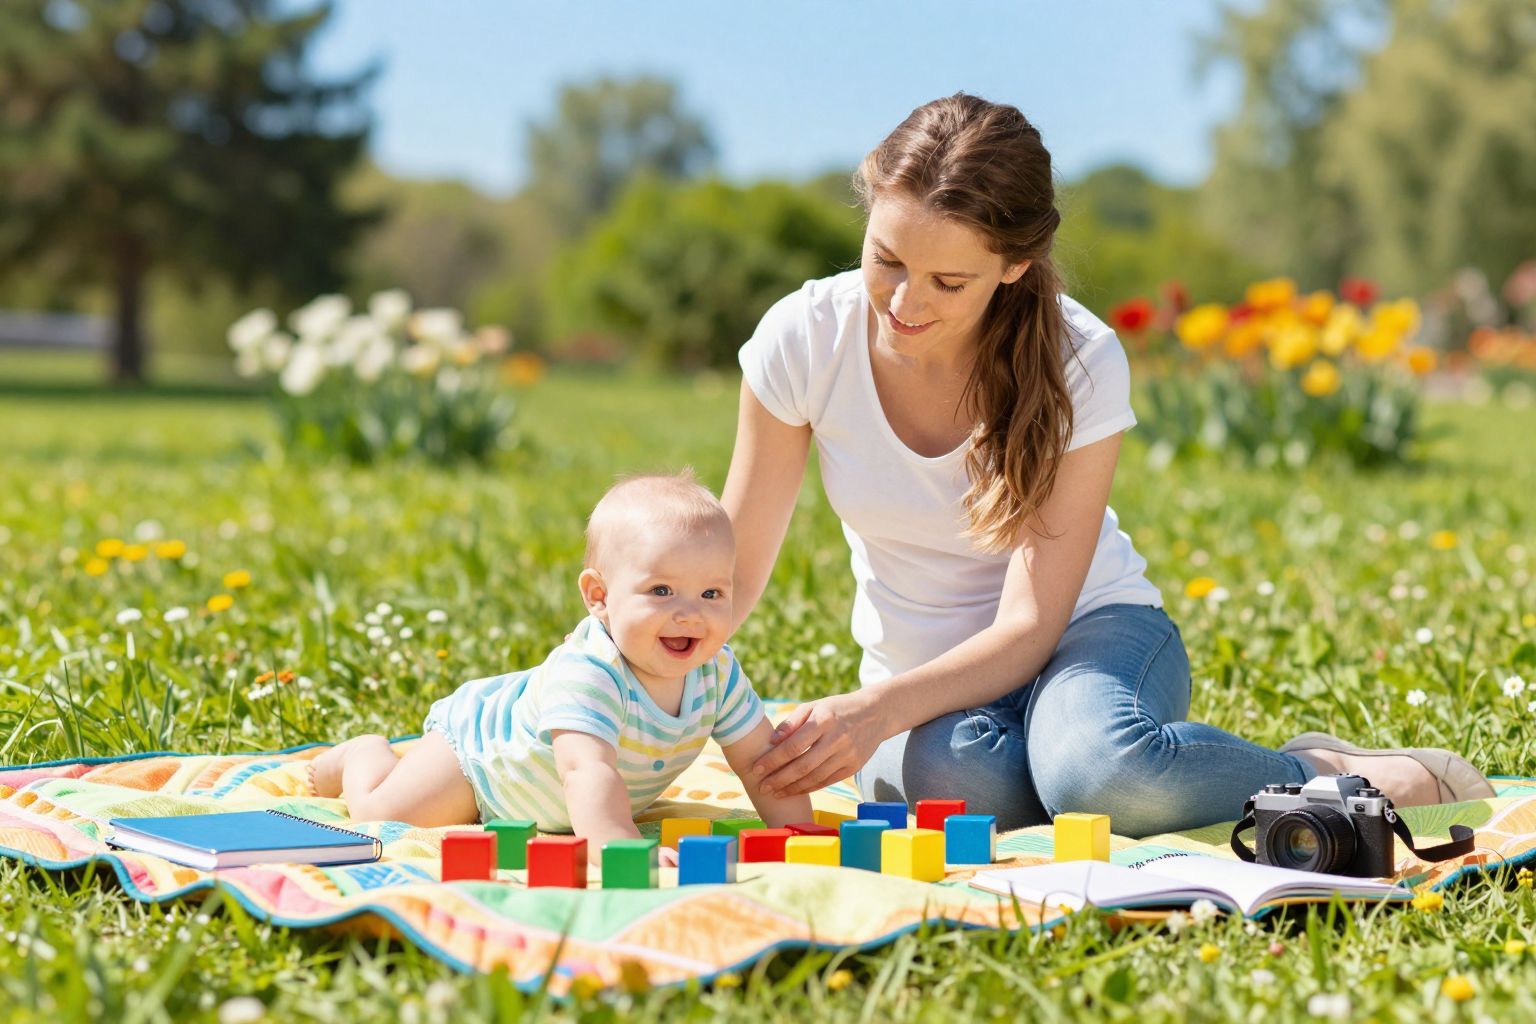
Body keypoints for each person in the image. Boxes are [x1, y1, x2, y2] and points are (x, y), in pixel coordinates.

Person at [721, 93, 1492, 837]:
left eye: (948, 282)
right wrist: (625, 686)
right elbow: (729, 572)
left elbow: (1030, 625)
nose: (903, 302)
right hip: (927, 688)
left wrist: (875, 711)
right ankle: (1090, 778)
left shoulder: (1078, 357)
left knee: (1097, 774)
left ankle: (1324, 773)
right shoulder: (805, 340)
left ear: (1014, 267)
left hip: (1087, 637)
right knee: (953, 787)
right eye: (885, 259)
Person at [310, 472, 811, 862]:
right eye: (661, 590)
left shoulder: (716, 673)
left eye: (711, 593)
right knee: (385, 813)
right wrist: (622, 851)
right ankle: (361, 755)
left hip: (563, 806)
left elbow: (761, 761)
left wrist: (800, 836)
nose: (690, 611)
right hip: (485, 762)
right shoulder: (591, 673)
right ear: (599, 596)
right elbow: (586, 769)